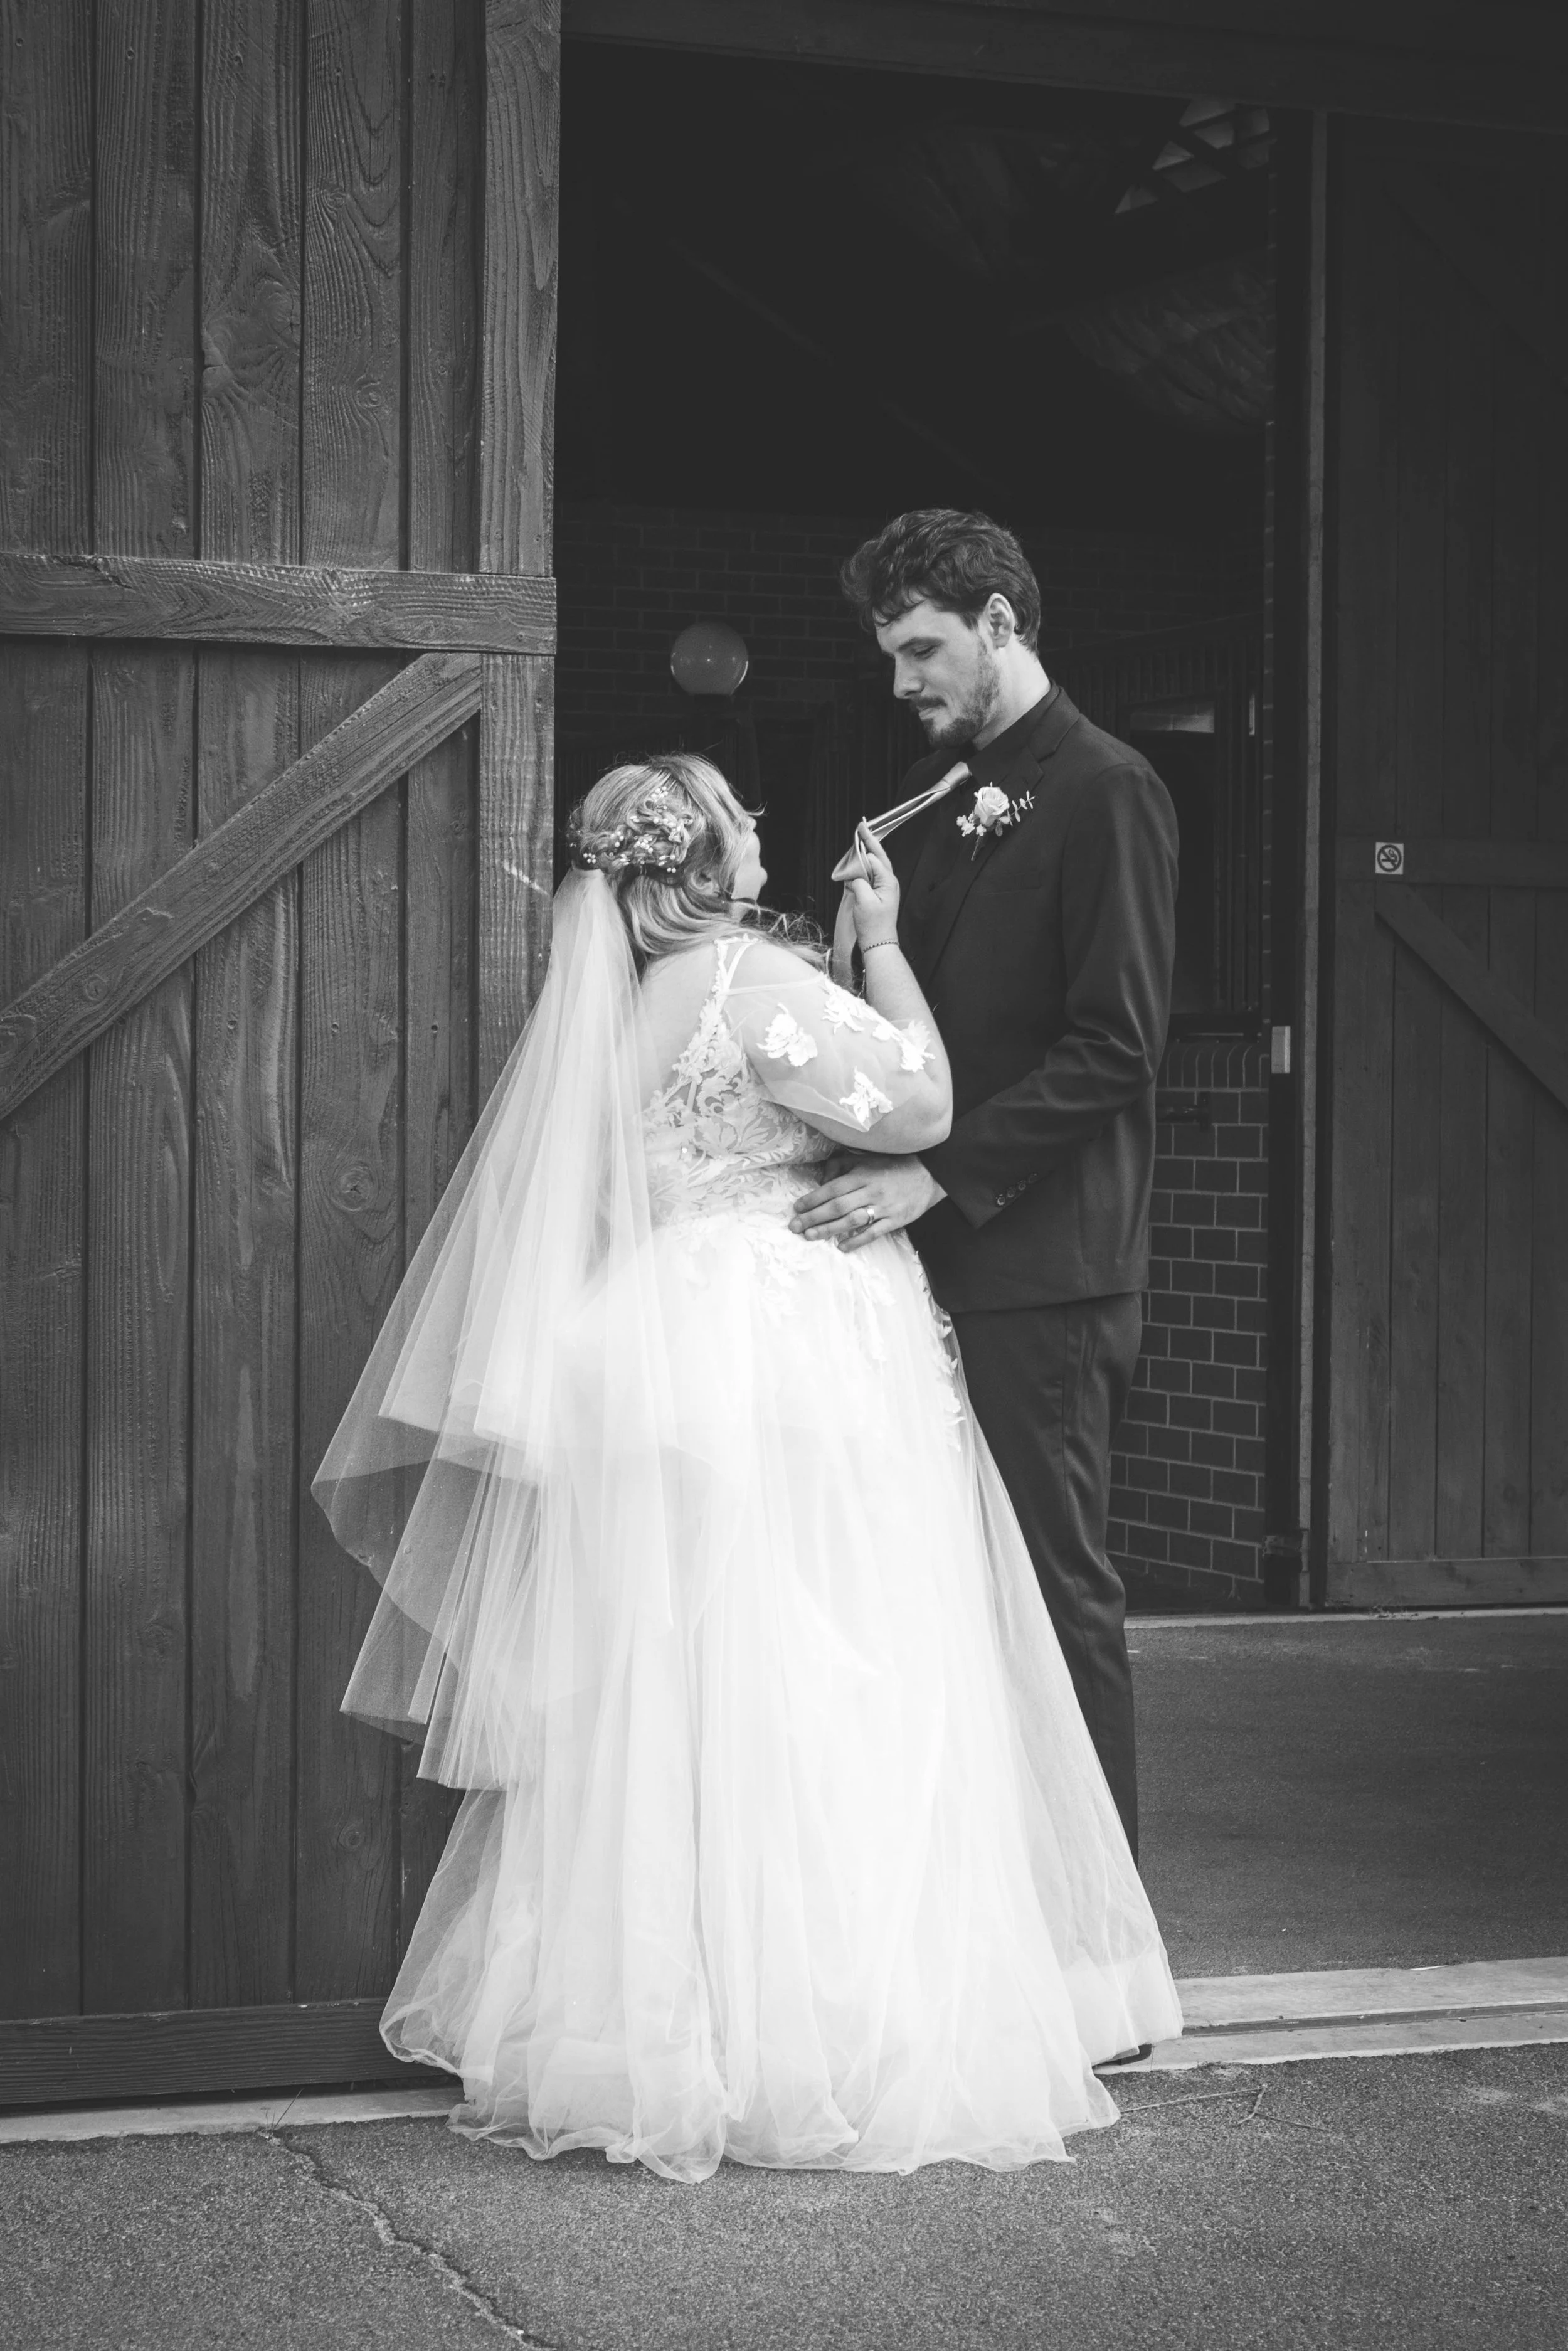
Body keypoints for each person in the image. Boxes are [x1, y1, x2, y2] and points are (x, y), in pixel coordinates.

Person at [314, 753, 1179, 2185]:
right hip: (779, 1345)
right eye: (742, 817)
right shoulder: (743, 979)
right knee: (823, 1659)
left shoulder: (612, 1004)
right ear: (708, 859)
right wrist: (882, 947)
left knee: (678, 1681)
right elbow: (918, 1108)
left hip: (657, 1338)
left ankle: (667, 2024)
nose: (765, 826)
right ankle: (823, 2032)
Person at [793, 509, 1179, 1868]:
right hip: (925, 1263)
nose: (901, 680)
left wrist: (937, 1178)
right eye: (891, 654)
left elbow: (1116, 1048)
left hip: (1043, 1269)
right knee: (945, 1591)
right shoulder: (931, 793)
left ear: (1000, 623)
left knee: (1053, 1591)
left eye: (921, 649)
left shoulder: (1108, 787)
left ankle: (1097, 1930)